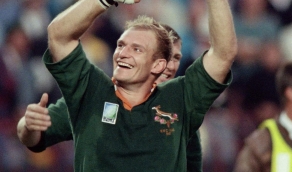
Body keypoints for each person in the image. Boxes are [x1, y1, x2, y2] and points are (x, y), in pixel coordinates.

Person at [16, 0, 237, 171]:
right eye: (121, 45)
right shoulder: (91, 94)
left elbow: (223, 54)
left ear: (158, 65)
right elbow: (58, 36)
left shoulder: (180, 99)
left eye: (137, 49)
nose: (123, 53)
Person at [17, 25, 204, 171]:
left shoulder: (179, 113)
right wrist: (28, 125)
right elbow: (34, 134)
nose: (169, 66)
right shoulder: (95, 98)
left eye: (176, 58)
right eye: (163, 57)